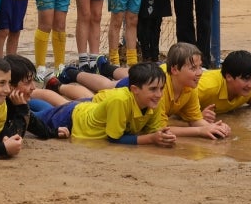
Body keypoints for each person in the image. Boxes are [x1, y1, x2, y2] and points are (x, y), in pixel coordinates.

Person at [27, 61, 175, 147]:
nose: (159, 94)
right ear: (135, 90)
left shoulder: (153, 101)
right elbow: (115, 138)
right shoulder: (121, 101)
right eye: (153, 89)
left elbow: (154, 131)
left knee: (48, 111)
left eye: (161, 89)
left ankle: (28, 100)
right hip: (72, 118)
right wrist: (151, 139)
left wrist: (162, 135)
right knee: (30, 118)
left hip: (83, 108)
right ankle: (18, 101)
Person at [195, 49, 251, 119]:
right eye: (245, 79)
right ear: (229, 77)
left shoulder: (244, 88)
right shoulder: (205, 88)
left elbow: (248, 97)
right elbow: (183, 101)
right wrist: (197, 118)